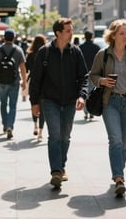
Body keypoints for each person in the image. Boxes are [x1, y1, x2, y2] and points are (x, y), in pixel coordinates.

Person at [89, 19, 126, 197]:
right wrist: (102, 81)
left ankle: (118, 171)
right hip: (110, 102)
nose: (125, 36)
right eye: (122, 33)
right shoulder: (103, 54)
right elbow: (92, 75)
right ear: (113, 35)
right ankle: (119, 178)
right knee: (116, 140)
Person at [29, 18, 88, 188]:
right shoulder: (44, 52)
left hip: (70, 101)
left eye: (71, 30)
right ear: (58, 33)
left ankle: (61, 166)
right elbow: (36, 80)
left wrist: (82, 96)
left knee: (65, 137)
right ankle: (56, 171)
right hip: (50, 100)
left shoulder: (75, 52)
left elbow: (83, 77)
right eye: (68, 31)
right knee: (54, 136)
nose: (71, 33)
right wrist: (34, 102)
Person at [0, 29, 27, 139]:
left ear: (4, 38)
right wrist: (24, 81)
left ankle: (5, 125)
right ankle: (10, 125)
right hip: (14, 81)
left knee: (3, 104)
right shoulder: (18, 50)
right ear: (14, 38)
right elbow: (22, 67)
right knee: (13, 106)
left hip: (1, 81)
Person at [25, 34, 46, 141]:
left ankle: (35, 126)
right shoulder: (46, 54)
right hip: (44, 83)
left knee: (34, 103)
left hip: (33, 81)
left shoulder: (30, 54)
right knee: (43, 108)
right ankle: (41, 133)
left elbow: (27, 68)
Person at [79, 31, 101, 120]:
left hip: (84, 74)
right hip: (94, 73)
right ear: (92, 37)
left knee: (85, 93)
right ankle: (91, 111)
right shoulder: (97, 48)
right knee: (92, 93)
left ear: (85, 37)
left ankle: (86, 112)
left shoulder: (80, 48)